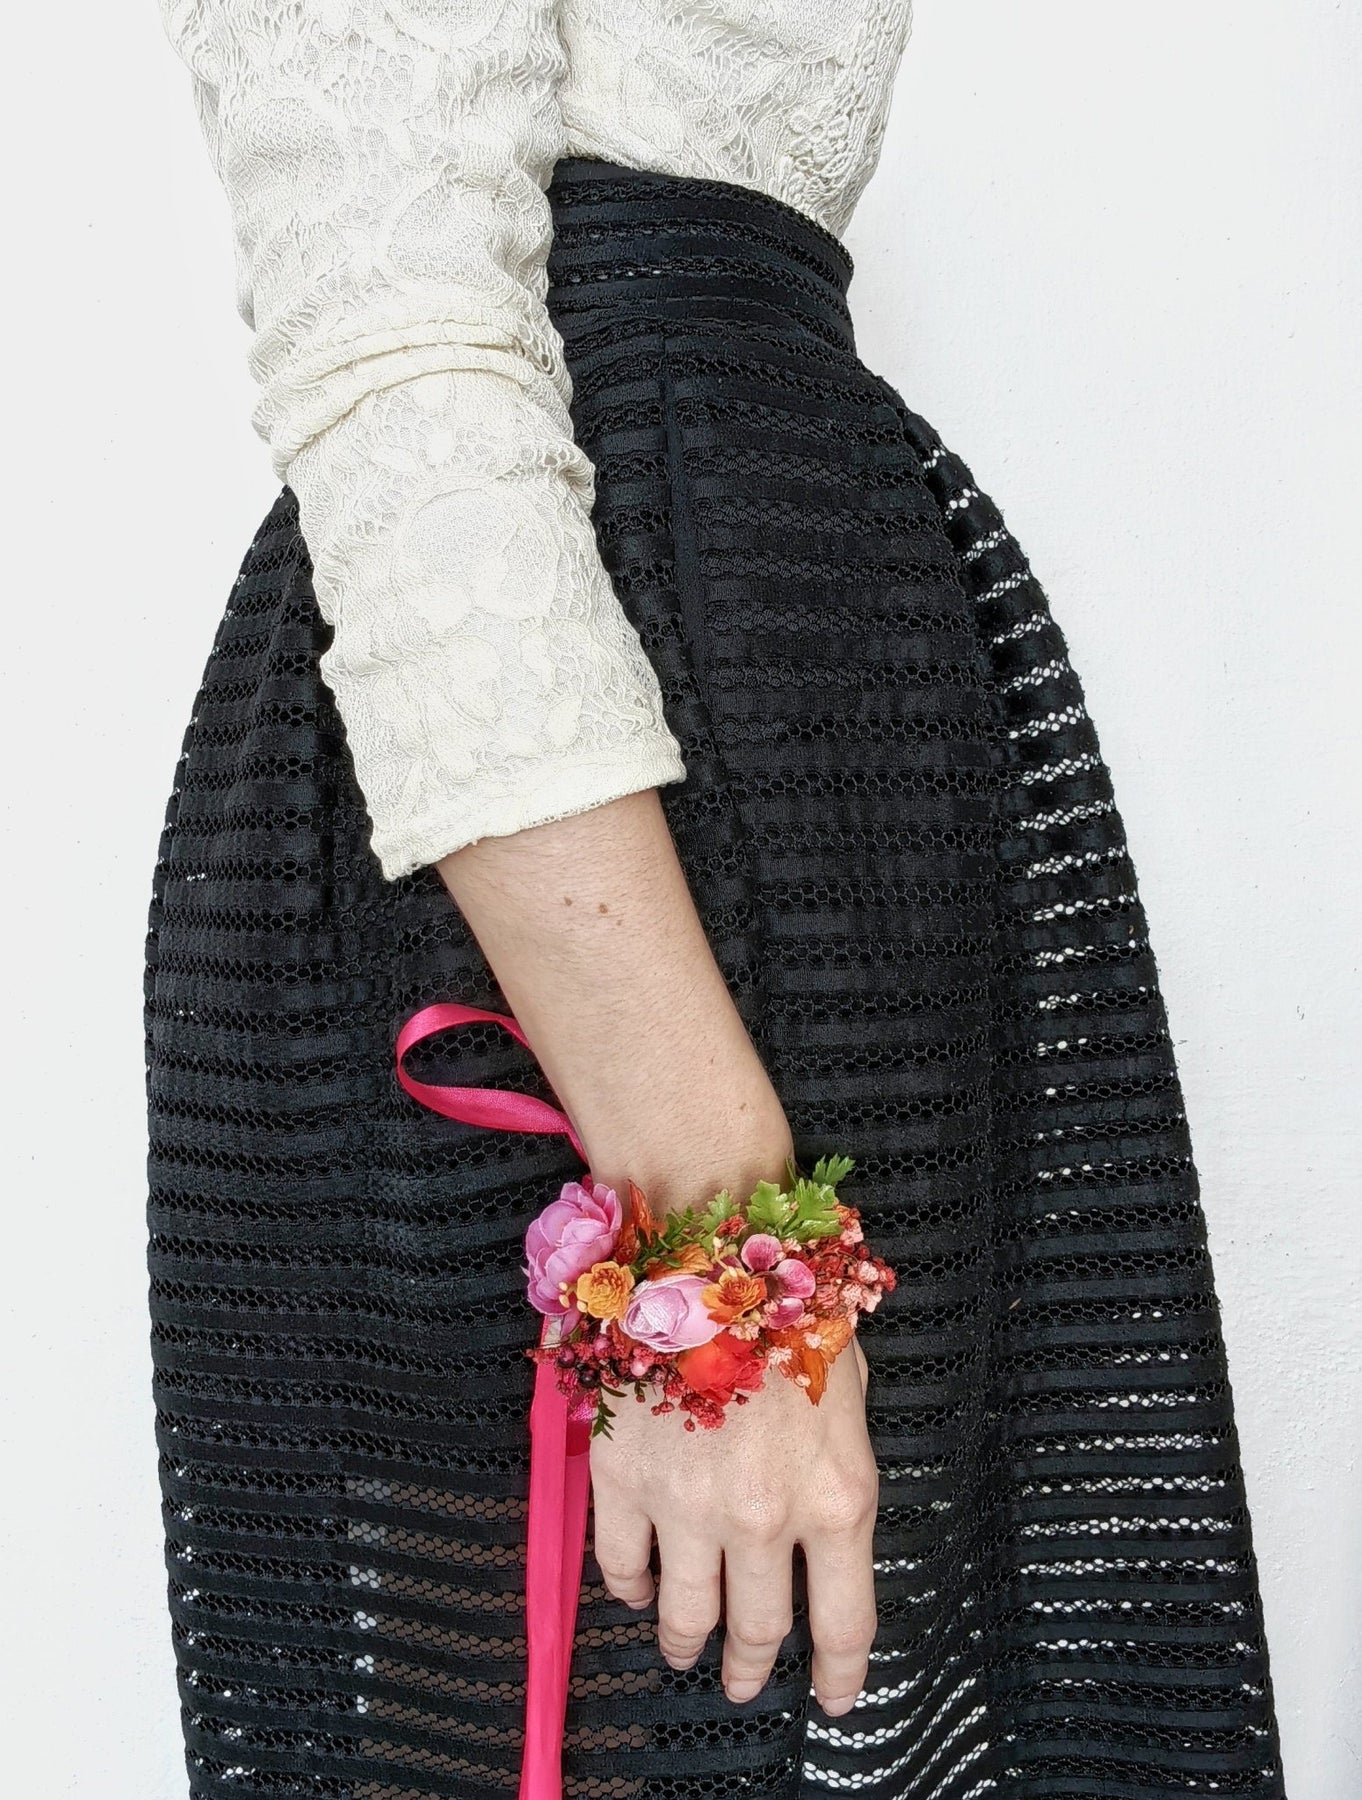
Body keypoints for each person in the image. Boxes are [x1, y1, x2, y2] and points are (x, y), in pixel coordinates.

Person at [146, 4, 1286, 1795]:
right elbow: (397, 350)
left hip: (820, 722)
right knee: (616, 1686)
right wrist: (713, 1268)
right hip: (583, 770)